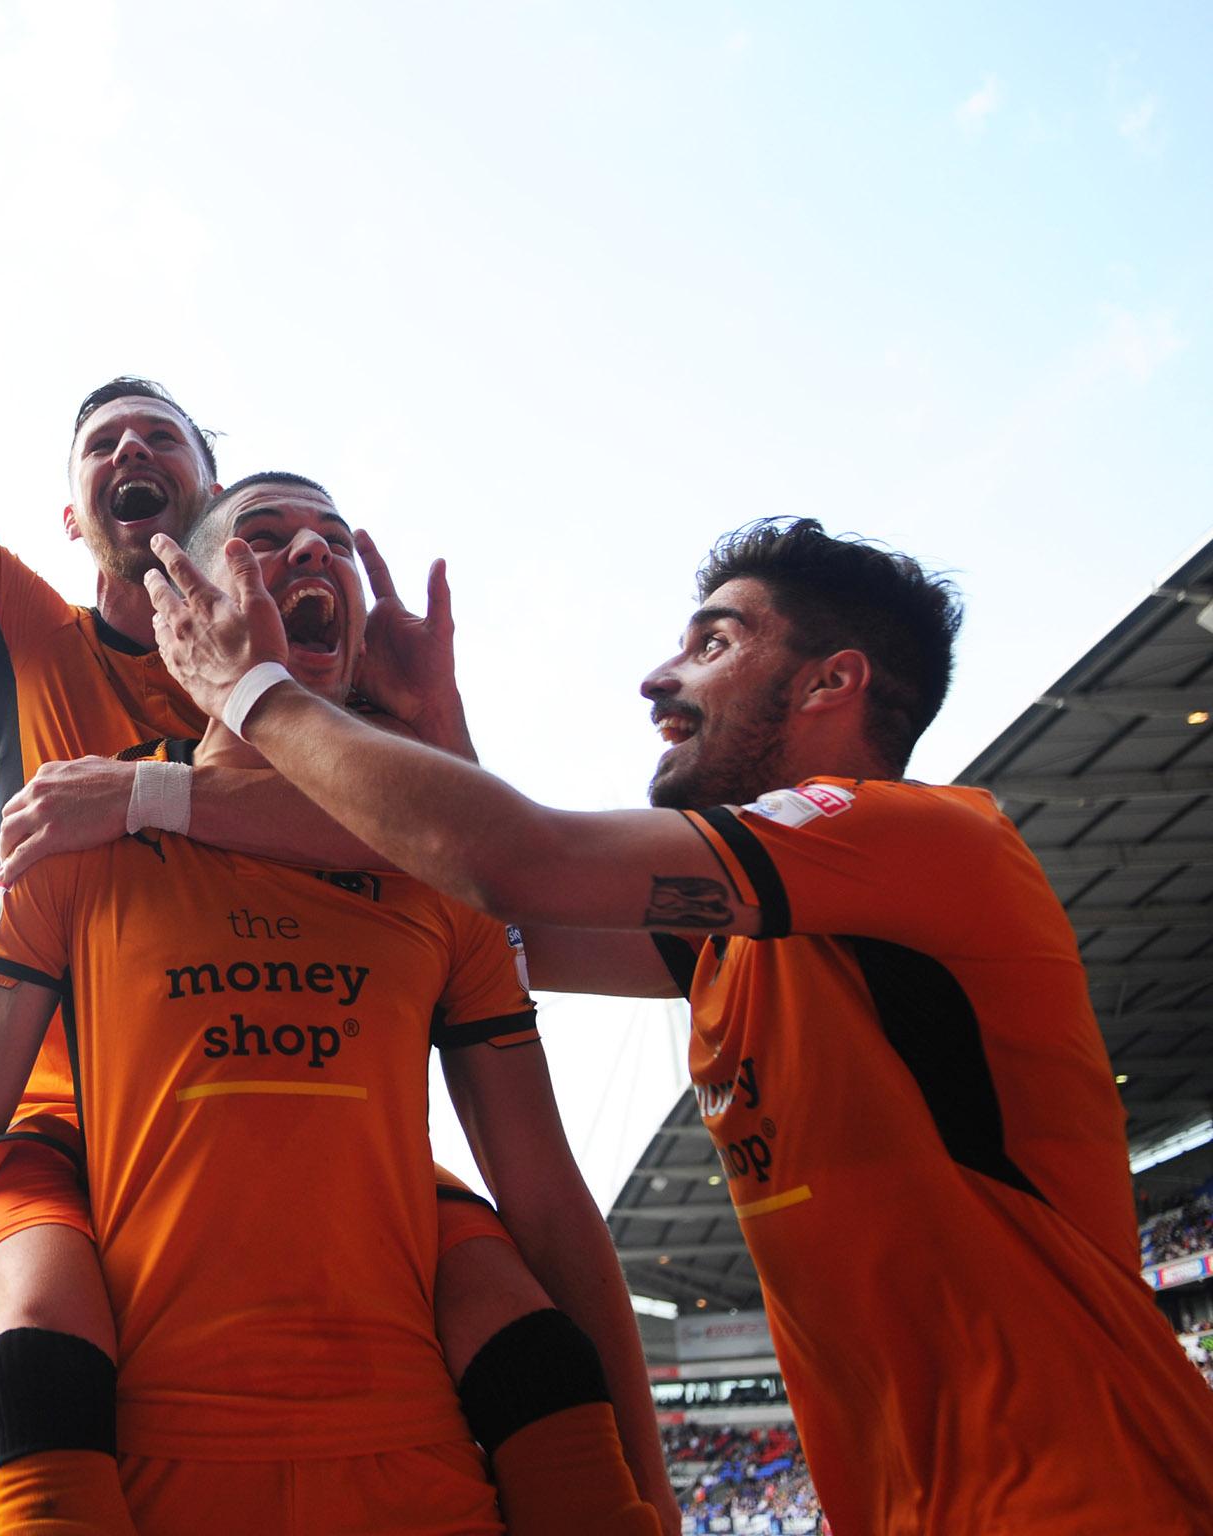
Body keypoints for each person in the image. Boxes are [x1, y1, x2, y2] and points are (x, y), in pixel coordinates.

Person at [0, 64, 674, 1532]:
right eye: (105, 446)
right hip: (72, 1111)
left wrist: (383, 734)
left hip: (326, 1135)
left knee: (508, 1315)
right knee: (40, 1325)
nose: (134, 451)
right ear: (79, 519)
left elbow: (477, 871)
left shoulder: (316, 697)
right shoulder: (31, 641)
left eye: (169, 440)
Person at [139, 514, 1213, 1533]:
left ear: (832, 682)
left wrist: (256, 695)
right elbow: (495, 911)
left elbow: (519, 860)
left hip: (1096, 1498)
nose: (659, 677)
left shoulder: (931, 841)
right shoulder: (729, 947)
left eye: (713, 642)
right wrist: (430, 729)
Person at [0, 475, 658, 1536]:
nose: (310, 555)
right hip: (135, 1476)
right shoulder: (80, 832)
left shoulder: (437, 877)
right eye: (264, 537)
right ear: (179, 604)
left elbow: (548, 1197)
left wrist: (642, 1485)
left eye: (333, 540)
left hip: (415, 1470)